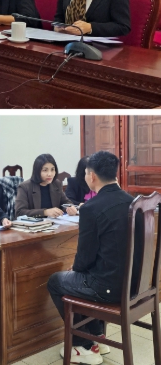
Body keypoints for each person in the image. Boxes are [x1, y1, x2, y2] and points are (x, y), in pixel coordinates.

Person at [47, 151, 137, 364]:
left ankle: (82, 345)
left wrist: (75, 269)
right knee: (85, 275)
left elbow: (84, 258)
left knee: (56, 281)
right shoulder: (132, 201)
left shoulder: (91, 208)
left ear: (92, 176)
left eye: (86, 173)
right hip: (134, 285)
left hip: (109, 288)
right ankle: (97, 336)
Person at [15, 154, 79, 218]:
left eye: (52, 170)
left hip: (54, 222)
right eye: (45, 170)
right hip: (35, 223)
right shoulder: (25, 187)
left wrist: (70, 208)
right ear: (37, 171)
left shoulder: (56, 184)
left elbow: (65, 202)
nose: (50, 174)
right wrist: (45, 212)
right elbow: (19, 212)